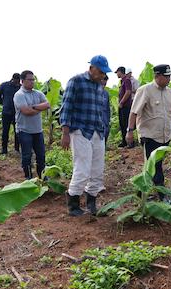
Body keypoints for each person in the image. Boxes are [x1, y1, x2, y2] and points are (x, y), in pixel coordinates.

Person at [59, 55, 111, 217]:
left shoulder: (99, 87)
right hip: (80, 130)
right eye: (101, 72)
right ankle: (73, 204)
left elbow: (100, 112)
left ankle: (91, 202)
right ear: (92, 68)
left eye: (104, 73)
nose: (102, 75)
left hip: (97, 131)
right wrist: (65, 133)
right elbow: (66, 107)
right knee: (82, 168)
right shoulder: (76, 81)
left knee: (97, 170)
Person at [126, 64, 171, 201]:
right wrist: (130, 131)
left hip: (165, 135)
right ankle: (162, 196)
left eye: (169, 76)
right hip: (150, 135)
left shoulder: (169, 92)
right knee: (155, 166)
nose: (169, 79)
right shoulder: (145, 90)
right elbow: (134, 112)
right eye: (166, 76)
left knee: (154, 166)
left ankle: (141, 192)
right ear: (157, 76)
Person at [13, 70, 50, 179]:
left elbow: (47, 104)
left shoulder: (38, 93)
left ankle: (42, 176)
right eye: (30, 80)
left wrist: (33, 107)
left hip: (38, 130)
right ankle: (28, 177)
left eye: (33, 79)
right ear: (22, 81)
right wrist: (39, 108)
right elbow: (26, 112)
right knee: (27, 156)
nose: (32, 82)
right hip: (24, 130)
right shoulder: (19, 95)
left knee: (41, 156)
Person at [0, 73, 21, 154]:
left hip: (17, 112)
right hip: (6, 112)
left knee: (17, 131)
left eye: (18, 81)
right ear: (12, 79)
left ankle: (17, 149)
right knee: (5, 131)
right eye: (16, 81)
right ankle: (4, 149)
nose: (17, 83)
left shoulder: (20, 87)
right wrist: (4, 104)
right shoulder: (4, 85)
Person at [115, 66, 134, 148]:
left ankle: (130, 142)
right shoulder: (122, 81)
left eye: (117, 72)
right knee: (122, 124)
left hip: (125, 106)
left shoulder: (126, 80)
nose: (117, 74)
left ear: (120, 72)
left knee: (126, 124)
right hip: (122, 106)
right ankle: (124, 141)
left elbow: (128, 92)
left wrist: (122, 102)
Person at [100, 75, 111, 144]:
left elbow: (107, 107)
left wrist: (108, 119)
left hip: (105, 116)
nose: (104, 84)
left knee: (106, 132)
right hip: (97, 117)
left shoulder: (106, 93)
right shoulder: (94, 92)